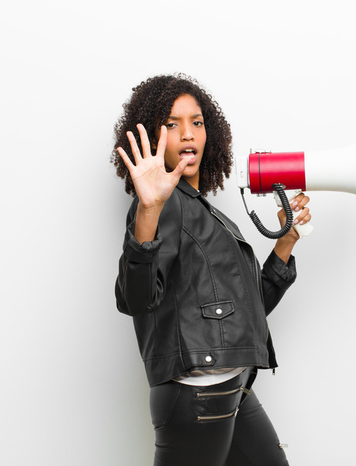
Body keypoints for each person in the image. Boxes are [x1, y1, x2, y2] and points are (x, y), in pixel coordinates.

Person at [111, 74, 310, 466]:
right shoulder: (162, 206)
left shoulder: (204, 212)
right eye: (172, 124)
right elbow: (135, 298)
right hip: (198, 396)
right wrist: (148, 210)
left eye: (197, 122)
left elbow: (244, 315)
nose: (188, 134)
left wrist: (286, 242)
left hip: (230, 387)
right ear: (154, 140)